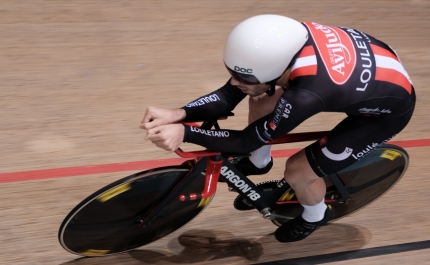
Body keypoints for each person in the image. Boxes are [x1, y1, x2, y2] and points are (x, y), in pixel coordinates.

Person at [140, 14, 415, 242]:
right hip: (366, 74)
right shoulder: (283, 40)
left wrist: (185, 132)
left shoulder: (306, 95)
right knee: (259, 95)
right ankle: (259, 163)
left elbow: (247, 139)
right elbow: (229, 95)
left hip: (384, 114)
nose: (235, 82)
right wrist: (179, 113)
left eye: (244, 77)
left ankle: (315, 215)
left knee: (299, 171)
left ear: (277, 68)